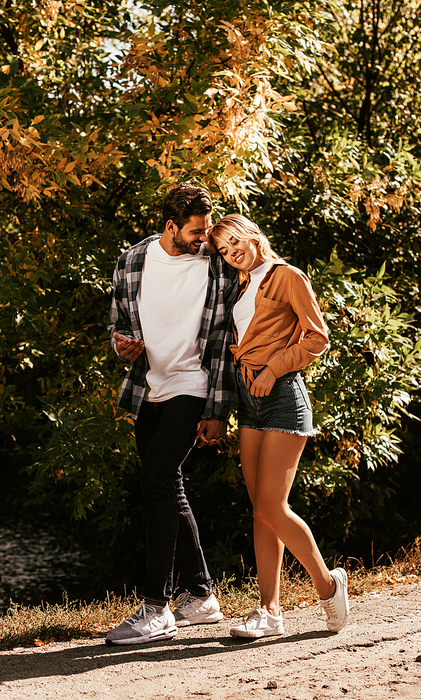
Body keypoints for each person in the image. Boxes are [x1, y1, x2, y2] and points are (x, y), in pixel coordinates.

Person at [105, 184, 238, 645]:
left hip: (192, 385)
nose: (205, 239)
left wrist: (219, 408)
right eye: (197, 231)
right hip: (148, 388)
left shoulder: (217, 266)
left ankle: (156, 608)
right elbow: (119, 323)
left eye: (206, 230)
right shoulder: (133, 260)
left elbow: (223, 342)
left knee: (157, 480)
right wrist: (122, 345)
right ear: (170, 227)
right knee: (167, 484)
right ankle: (202, 597)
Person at [207, 214, 349, 639]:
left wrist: (274, 367)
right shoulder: (242, 284)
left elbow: (317, 336)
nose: (232, 253)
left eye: (235, 242)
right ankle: (269, 611)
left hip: (284, 396)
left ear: (252, 235)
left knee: (272, 506)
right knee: (260, 510)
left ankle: (329, 587)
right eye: (224, 250)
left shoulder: (287, 276)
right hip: (249, 402)